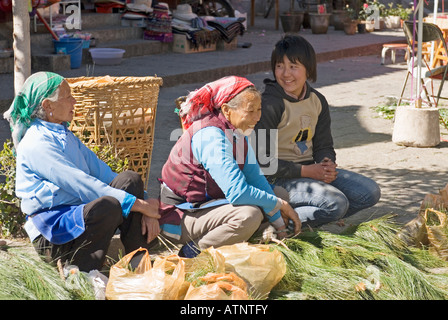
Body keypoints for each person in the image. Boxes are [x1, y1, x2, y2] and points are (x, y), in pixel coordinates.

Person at [4, 72, 160, 272]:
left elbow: (105, 174)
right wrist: (139, 205)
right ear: (47, 106)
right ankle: (83, 272)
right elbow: (82, 184)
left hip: (79, 215)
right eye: (67, 97)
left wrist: (145, 206)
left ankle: (139, 260)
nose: (74, 101)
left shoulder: (63, 134)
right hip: (56, 233)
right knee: (108, 205)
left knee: (130, 180)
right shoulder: (36, 143)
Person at [157, 76, 301, 258]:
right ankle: (191, 253)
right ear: (226, 109)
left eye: (259, 110)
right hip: (180, 216)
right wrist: (278, 205)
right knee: (249, 215)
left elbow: (255, 179)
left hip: (208, 206)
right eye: (250, 111)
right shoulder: (211, 136)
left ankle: (244, 239)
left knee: (278, 194)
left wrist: (280, 227)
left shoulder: (237, 132)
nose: (257, 117)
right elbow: (238, 193)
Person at [255, 35, 381, 229]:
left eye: (293, 67)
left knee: (370, 192)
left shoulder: (317, 100)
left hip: (309, 171)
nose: (286, 74)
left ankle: (313, 219)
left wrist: (326, 164)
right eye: (280, 66)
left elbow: (323, 144)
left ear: (309, 68)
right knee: (336, 203)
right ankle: (277, 226)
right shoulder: (269, 104)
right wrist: (306, 171)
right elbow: (263, 162)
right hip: (275, 180)